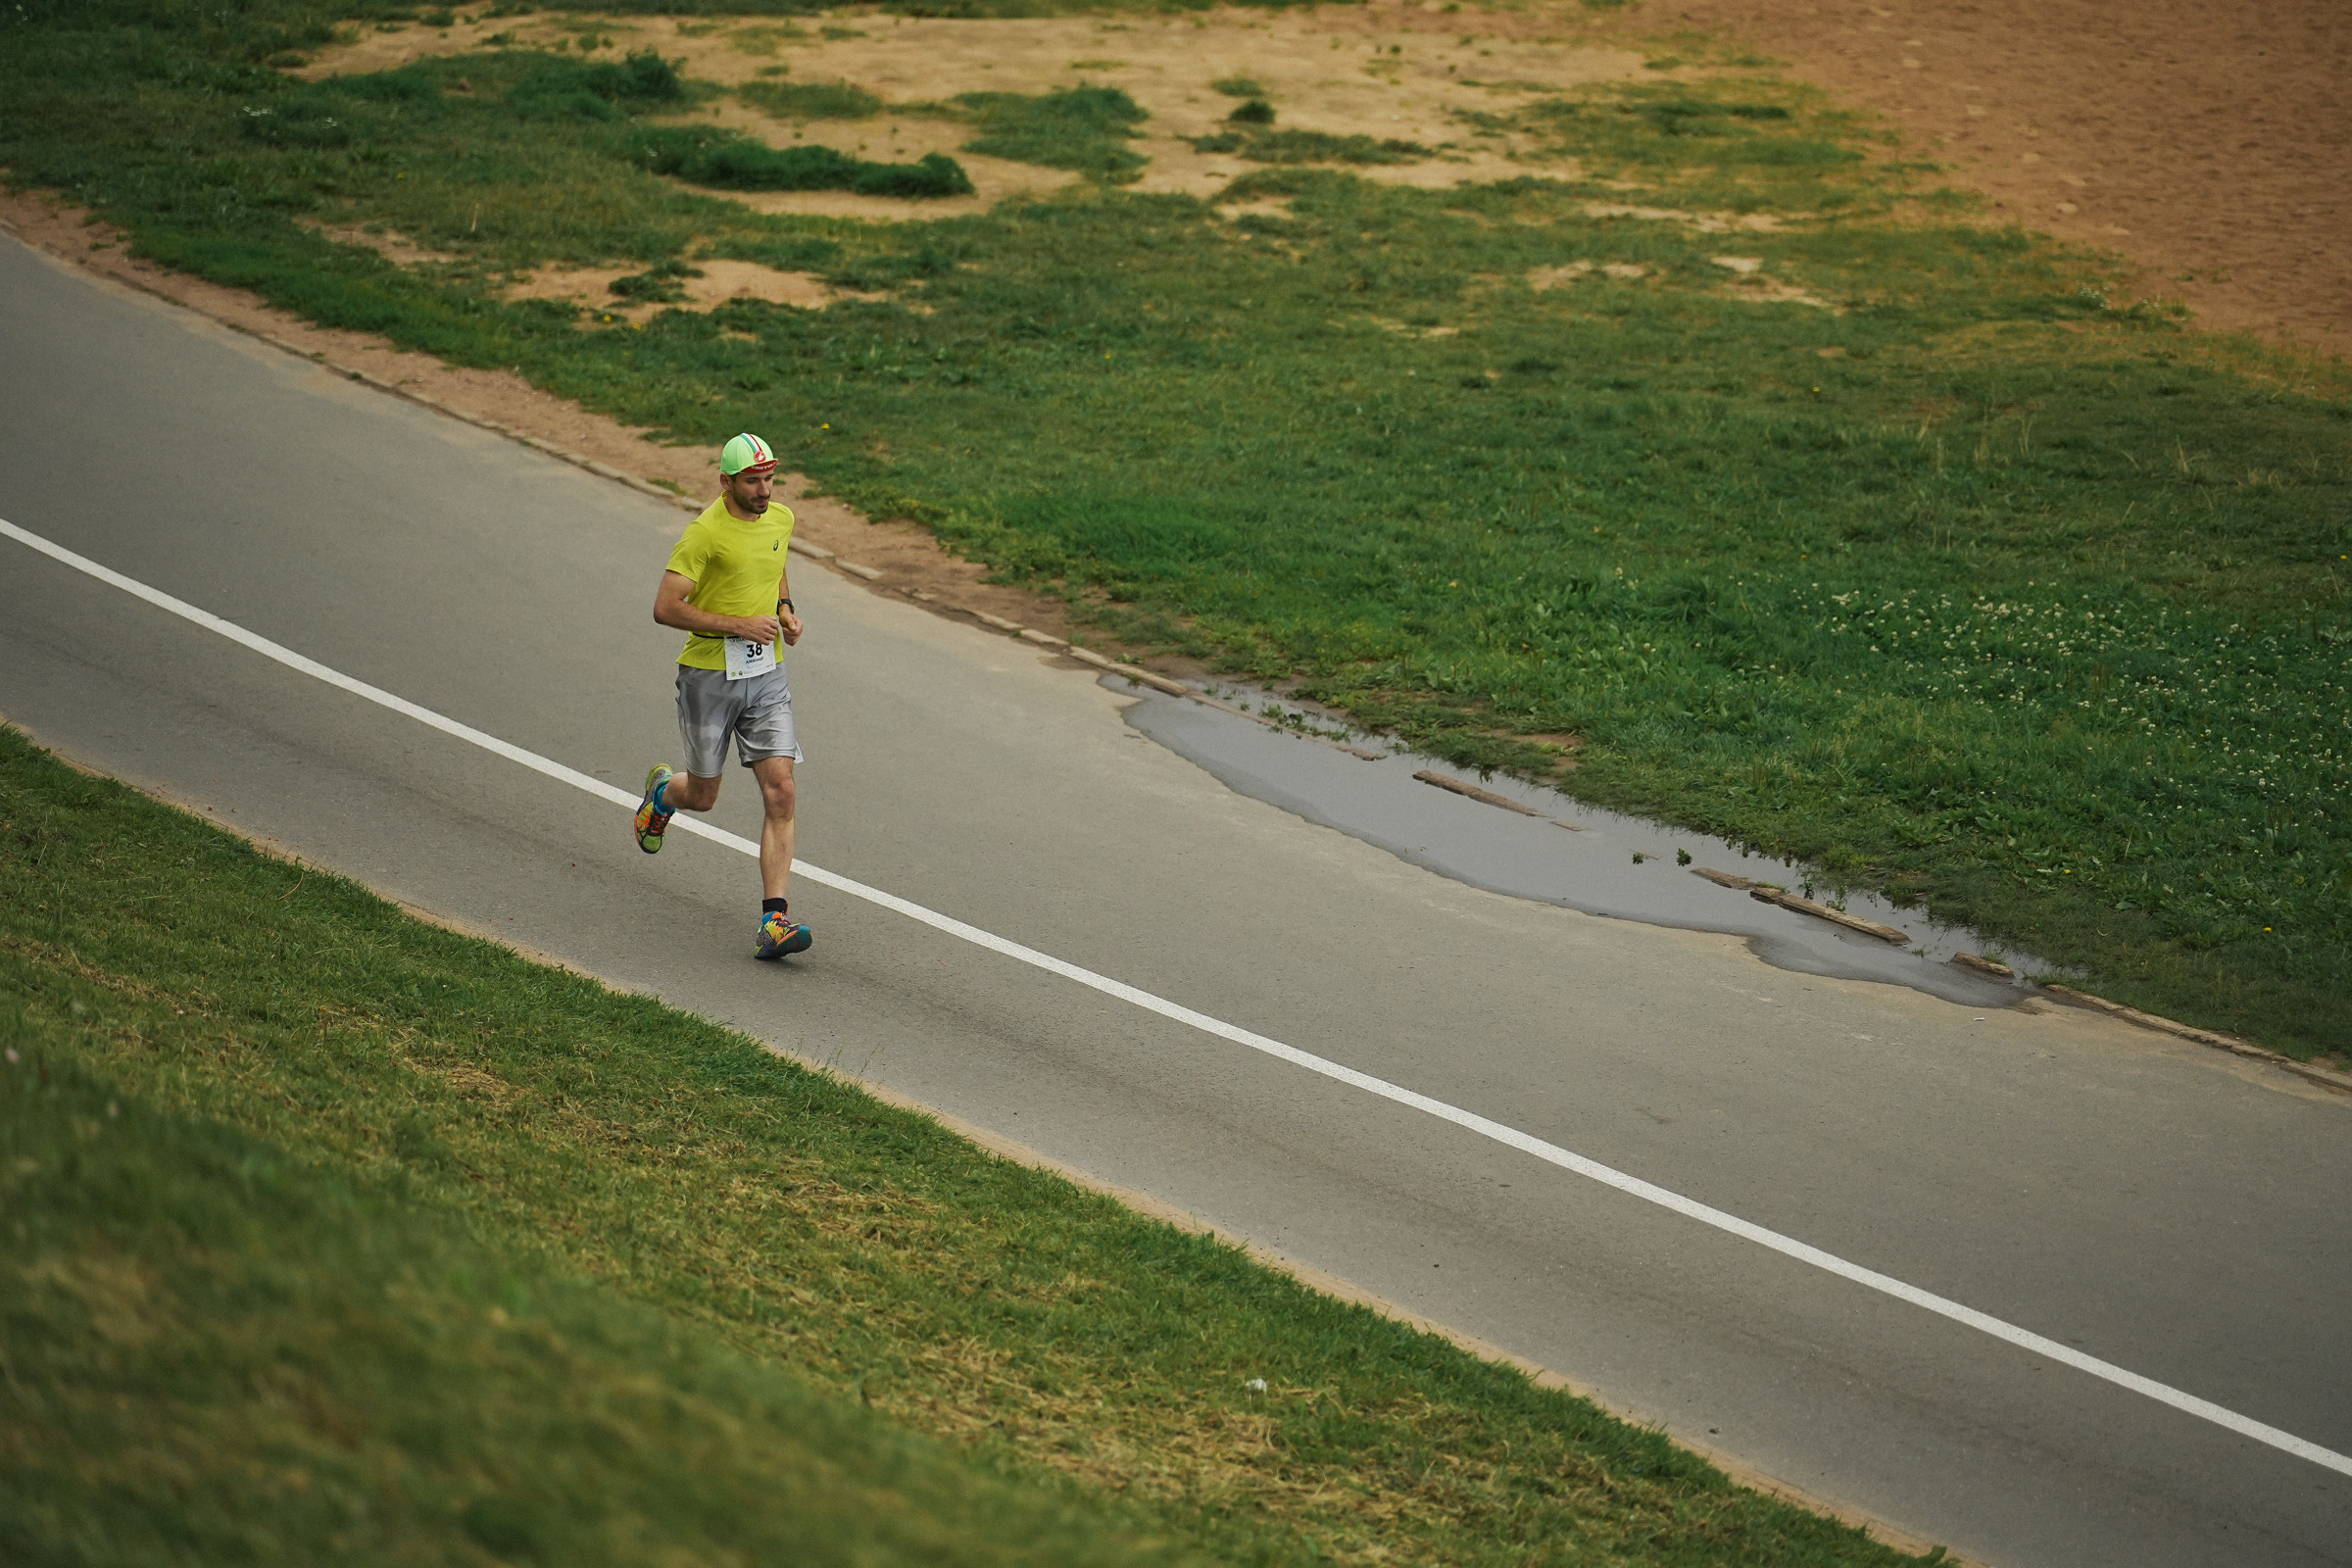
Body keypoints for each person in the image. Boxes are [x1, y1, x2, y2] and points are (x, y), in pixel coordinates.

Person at [633, 432, 811, 960]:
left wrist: (783, 611)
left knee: (782, 791)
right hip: (707, 676)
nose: (764, 491)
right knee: (705, 797)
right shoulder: (703, 534)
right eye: (753, 481)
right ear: (726, 482)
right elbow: (665, 607)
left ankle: (773, 920)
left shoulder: (779, 519)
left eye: (769, 479)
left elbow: (773, 562)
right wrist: (738, 624)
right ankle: (664, 794)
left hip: (766, 674)